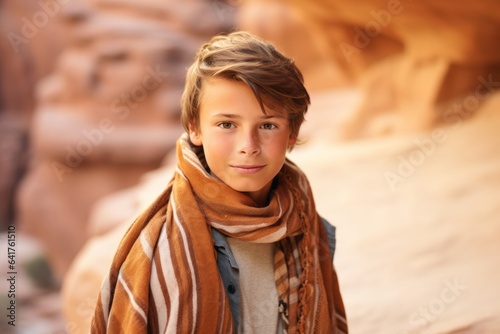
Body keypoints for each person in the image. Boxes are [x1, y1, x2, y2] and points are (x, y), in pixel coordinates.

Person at [91, 31, 348, 333]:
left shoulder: (308, 227)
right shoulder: (157, 252)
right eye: (227, 124)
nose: (248, 145)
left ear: (291, 133)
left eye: (268, 125)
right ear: (194, 128)